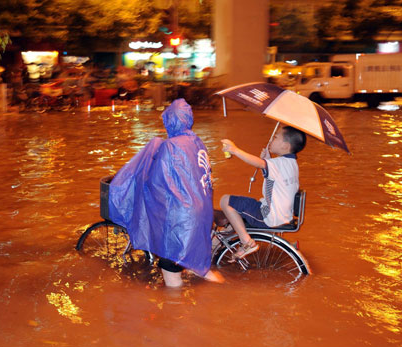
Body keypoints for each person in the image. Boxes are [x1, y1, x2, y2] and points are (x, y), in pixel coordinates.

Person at [108, 98, 224, 287]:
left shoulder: (170, 146)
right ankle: (223, 290)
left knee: (169, 263)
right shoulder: (198, 142)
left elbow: (156, 181)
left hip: (181, 217)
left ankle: (175, 309)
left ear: (170, 121)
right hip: (202, 211)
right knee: (196, 262)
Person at [220, 125, 306, 261]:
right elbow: (275, 175)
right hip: (283, 215)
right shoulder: (291, 163)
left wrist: (234, 150)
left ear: (285, 146)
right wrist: (269, 159)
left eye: (276, 137)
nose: (272, 139)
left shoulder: (278, 164)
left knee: (225, 201)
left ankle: (247, 242)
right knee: (239, 207)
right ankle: (230, 239)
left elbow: (259, 163)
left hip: (270, 216)